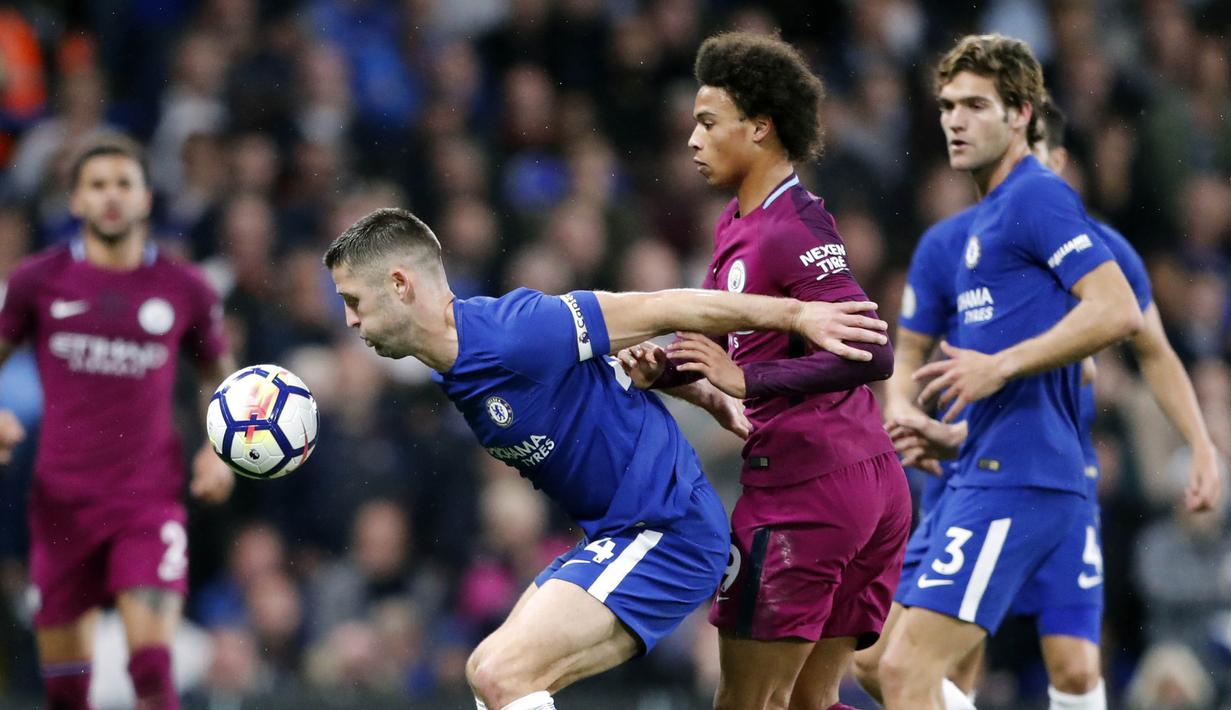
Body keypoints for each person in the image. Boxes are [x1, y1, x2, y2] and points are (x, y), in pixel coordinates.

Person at [322, 206, 890, 710]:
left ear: (399, 284)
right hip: (619, 534)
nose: (348, 320)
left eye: (353, 301)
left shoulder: (513, 331)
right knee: (485, 676)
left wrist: (796, 316)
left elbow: (663, 306)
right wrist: (697, 392)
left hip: (668, 531)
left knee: (502, 675)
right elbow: (610, 364)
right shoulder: (456, 365)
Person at [854, 99, 1223, 709]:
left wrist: (1201, 441)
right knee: (894, 665)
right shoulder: (950, 247)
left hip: (1056, 475)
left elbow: (1153, 350)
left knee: (1075, 668)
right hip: (973, 475)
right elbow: (910, 351)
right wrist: (907, 409)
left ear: (1062, 163)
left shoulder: (1104, 254)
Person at [618, 32, 910, 710]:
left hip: (807, 492)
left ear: (759, 127)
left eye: (707, 122)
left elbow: (871, 353)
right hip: (863, 484)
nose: (692, 138)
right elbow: (739, 359)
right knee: (811, 702)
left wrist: (748, 382)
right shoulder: (737, 223)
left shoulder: (793, 229)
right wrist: (677, 371)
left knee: (746, 704)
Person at [872, 34, 1146, 710]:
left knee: (910, 671)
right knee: (879, 661)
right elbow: (910, 356)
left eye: (974, 105)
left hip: (1021, 480)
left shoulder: (1035, 198)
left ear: (1022, 113)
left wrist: (999, 364)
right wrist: (939, 431)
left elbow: (1116, 310)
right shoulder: (973, 226)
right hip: (981, 466)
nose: (953, 121)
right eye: (945, 106)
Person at [0, 135, 236, 710]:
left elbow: (223, 381)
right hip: (59, 505)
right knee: (66, 690)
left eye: (123, 184)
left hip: (146, 503)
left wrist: (217, 451)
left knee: (152, 670)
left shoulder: (186, 289)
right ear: (75, 201)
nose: (111, 197)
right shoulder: (36, 281)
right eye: (97, 185)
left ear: (146, 198)